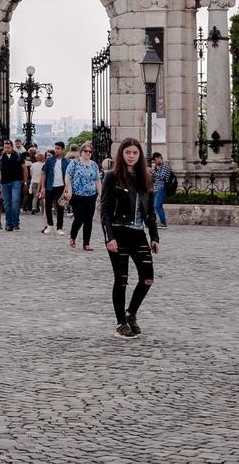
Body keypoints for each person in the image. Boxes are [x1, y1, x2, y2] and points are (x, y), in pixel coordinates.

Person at [100, 138, 160, 337]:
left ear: (140, 155)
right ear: (121, 154)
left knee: (148, 278)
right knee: (122, 279)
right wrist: (109, 237)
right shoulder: (112, 177)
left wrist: (154, 236)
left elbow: (150, 211)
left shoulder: (145, 177)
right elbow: (105, 211)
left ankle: (131, 313)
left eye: (135, 153)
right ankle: (120, 323)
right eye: (128, 152)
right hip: (118, 232)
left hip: (138, 233)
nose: (131, 156)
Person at [64, 141, 100, 250]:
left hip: (91, 195)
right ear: (81, 152)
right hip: (77, 195)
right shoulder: (75, 163)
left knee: (89, 220)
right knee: (79, 217)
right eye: (85, 151)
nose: (88, 153)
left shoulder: (94, 165)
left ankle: (86, 244)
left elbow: (97, 180)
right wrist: (69, 190)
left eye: (90, 151)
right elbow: (68, 176)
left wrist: (101, 194)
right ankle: (73, 236)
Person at [0, 140, 27, 232]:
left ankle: (16, 222)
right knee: (7, 204)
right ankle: (9, 224)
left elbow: (25, 169)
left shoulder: (18, 155)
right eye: (5, 147)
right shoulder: (1, 156)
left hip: (16, 181)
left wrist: (25, 183)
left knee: (15, 201)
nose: (6, 149)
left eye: (8, 147)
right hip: (4, 182)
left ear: (12, 147)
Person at [41, 141, 69, 235]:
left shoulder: (66, 162)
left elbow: (69, 176)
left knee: (60, 207)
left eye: (58, 148)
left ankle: (59, 227)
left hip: (61, 186)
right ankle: (50, 225)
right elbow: (44, 173)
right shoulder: (49, 160)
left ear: (62, 150)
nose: (56, 150)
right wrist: (43, 187)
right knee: (48, 206)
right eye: (55, 148)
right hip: (50, 186)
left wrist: (68, 188)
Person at [151, 152, 173, 229]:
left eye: (155, 160)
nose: (155, 162)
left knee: (157, 206)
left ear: (159, 158)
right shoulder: (158, 167)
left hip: (161, 188)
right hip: (156, 188)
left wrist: (153, 172)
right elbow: (154, 178)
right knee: (158, 206)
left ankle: (163, 223)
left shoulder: (165, 166)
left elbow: (162, 176)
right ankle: (162, 223)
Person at [26, 147, 43, 217]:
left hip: (34, 181)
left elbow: (31, 173)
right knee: (42, 196)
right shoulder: (43, 165)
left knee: (35, 196)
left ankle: (33, 207)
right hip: (41, 182)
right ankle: (42, 208)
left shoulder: (33, 165)